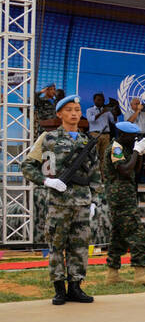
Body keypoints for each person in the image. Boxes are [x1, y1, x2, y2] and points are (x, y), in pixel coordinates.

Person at [21, 95, 100, 304]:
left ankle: (75, 287)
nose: (74, 113)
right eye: (69, 110)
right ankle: (59, 289)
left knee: (80, 247)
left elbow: (95, 174)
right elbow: (27, 166)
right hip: (59, 203)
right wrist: (46, 181)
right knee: (57, 246)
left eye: (77, 109)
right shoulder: (48, 138)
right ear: (59, 114)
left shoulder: (87, 141)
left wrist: (94, 200)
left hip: (82, 202)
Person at [101, 120, 145, 286]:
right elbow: (125, 170)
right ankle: (140, 272)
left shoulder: (125, 148)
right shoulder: (116, 148)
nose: (135, 139)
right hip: (120, 196)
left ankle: (112, 274)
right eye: (132, 136)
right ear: (122, 135)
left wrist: (139, 154)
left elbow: (135, 170)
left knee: (118, 235)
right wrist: (135, 152)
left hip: (124, 194)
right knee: (136, 232)